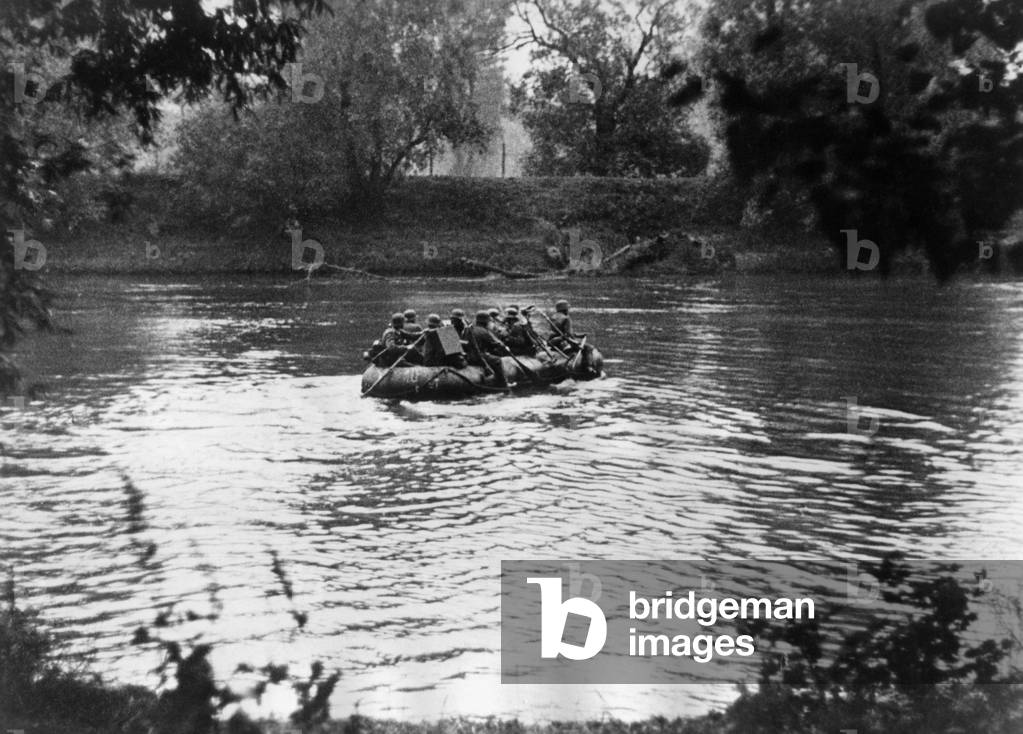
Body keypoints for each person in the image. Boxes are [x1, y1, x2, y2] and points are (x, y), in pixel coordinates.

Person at [462, 310, 509, 387]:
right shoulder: (483, 331)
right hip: (477, 357)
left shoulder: (468, 329)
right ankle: (502, 383)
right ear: (486, 322)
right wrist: (503, 346)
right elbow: (494, 345)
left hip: (466, 356)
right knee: (497, 360)